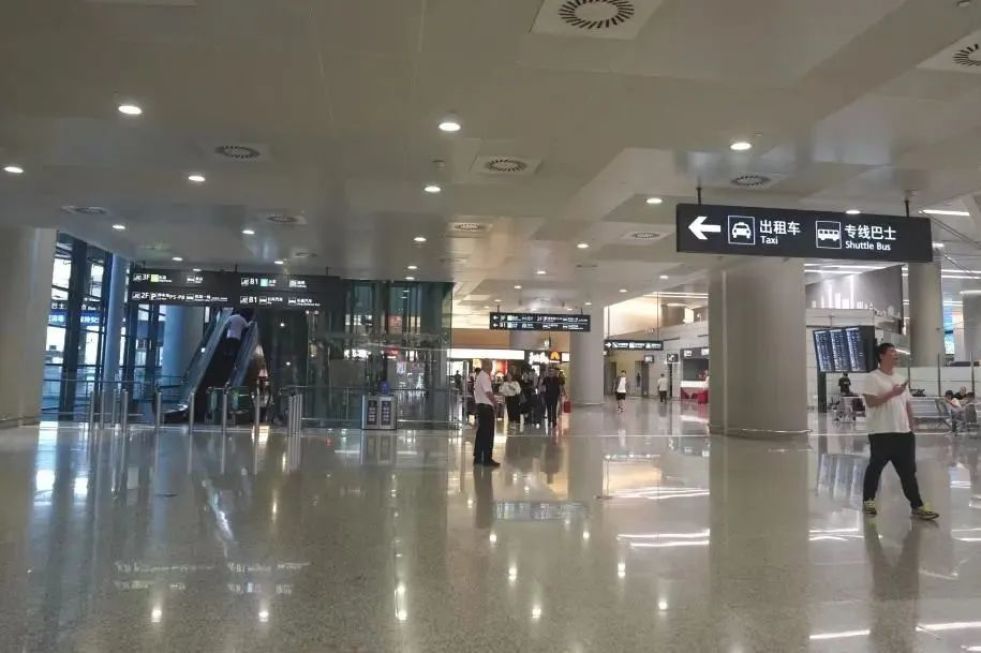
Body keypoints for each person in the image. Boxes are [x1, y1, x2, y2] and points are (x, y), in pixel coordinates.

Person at [860, 342, 938, 520]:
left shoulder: (900, 378)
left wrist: (911, 426)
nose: (896, 355)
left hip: (903, 433)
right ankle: (868, 501)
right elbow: (871, 402)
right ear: (881, 356)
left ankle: (917, 506)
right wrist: (892, 393)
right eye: (892, 352)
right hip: (881, 432)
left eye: (896, 352)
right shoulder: (873, 378)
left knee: (908, 473)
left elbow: (907, 404)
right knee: (875, 468)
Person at [472, 361, 500, 467]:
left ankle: (478, 457)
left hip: (481, 407)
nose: (491, 368)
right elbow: (488, 392)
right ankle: (487, 459)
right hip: (486, 408)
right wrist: (495, 403)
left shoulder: (480, 376)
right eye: (490, 365)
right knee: (488, 433)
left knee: (481, 433)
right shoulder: (485, 377)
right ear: (485, 366)